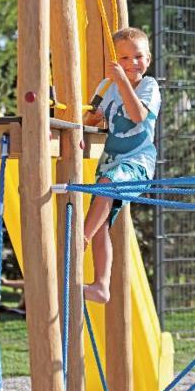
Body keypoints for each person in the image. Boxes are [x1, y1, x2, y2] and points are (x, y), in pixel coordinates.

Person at [83, 27, 161, 304]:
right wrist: (90, 121)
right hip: (110, 162)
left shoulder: (149, 87)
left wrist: (122, 83)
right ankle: (100, 286)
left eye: (138, 57)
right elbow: (93, 120)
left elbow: (138, 115)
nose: (132, 64)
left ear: (148, 60)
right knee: (103, 223)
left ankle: (81, 238)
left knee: (108, 186)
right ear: (115, 60)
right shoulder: (106, 88)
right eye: (125, 58)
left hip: (137, 162)